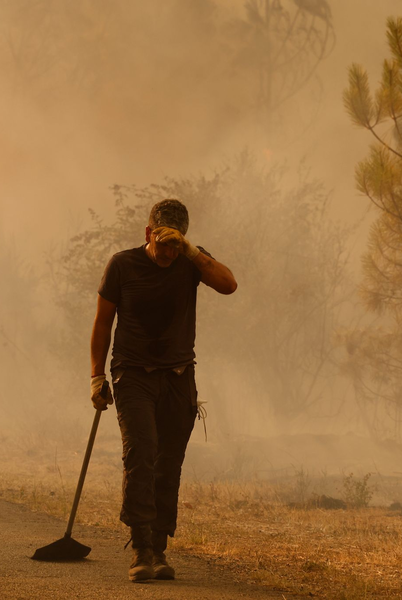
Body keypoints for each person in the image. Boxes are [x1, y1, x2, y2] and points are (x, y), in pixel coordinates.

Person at [89, 199, 237, 582]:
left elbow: (229, 285)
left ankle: (159, 548)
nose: (169, 253)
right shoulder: (122, 265)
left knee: (168, 464)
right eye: (163, 243)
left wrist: (191, 251)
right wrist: (96, 377)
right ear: (148, 233)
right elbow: (103, 323)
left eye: (176, 244)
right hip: (132, 374)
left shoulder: (190, 260)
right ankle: (141, 549)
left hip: (178, 377)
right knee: (141, 455)